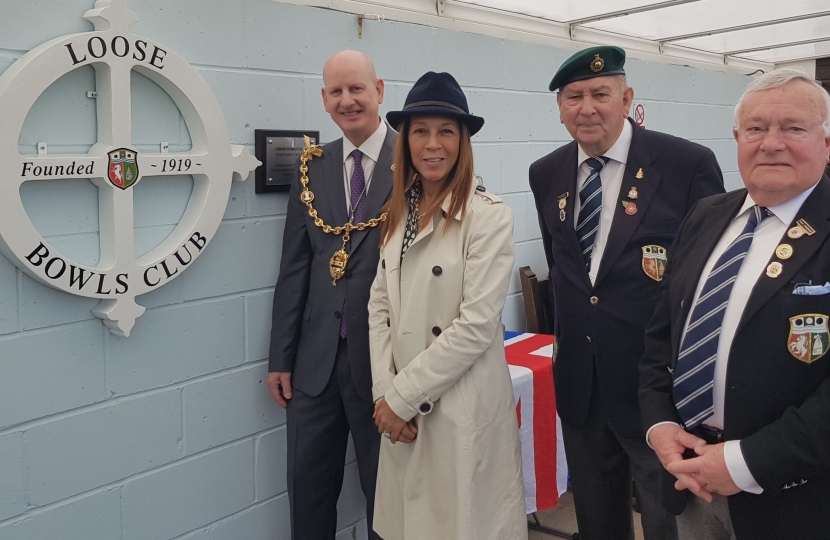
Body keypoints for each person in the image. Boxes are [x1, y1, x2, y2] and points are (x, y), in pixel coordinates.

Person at [528, 46, 725, 540]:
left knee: (667, 522)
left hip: (657, 391)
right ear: (559, 106)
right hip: (581, 386)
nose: (587, 107)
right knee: (597, 521)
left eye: (600, 93)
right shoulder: (545, 173)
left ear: (626, 98)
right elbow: (566, 269)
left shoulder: (686, 164)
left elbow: (709, 283)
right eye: (574, 96)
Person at [639, 69, 830, 540]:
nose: (771, 143)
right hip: (691, 481)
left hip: (797, 498)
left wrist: (746, 463)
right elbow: (662, 337)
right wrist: (660, 424)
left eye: (794, 128)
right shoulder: (707, 215)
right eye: (756, 128)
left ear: (827, 142)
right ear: (736, 138)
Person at [368, 71, 527, 540]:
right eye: (420, 131)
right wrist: (384, 392)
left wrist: (401, 397)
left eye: (445, 131)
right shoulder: (399, 211)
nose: (432, 143)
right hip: (401, 414)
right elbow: (379, 308)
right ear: (406, 140)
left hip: (454, 409)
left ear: (463, 141)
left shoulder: (488, 216)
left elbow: (476, 326)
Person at [267, 50, 395, 540]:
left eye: (357, 88)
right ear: (324, 100)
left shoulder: (412, 160)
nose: (348, 100)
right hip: (313, 365)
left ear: (378, 89)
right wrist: (281, 357)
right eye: (336, 92)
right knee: (307, 490)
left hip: (385, 365)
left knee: (387, 496)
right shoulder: (312, 167)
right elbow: (294, 268)